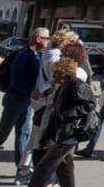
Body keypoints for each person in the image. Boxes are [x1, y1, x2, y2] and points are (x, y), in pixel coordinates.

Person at [0, 27, 49, 184]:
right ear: (38, 39)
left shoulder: (35, 55)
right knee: (2, 134)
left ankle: (21, 169)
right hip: (16, 99)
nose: (48, 41)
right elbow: (16, 81)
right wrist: (31, 91)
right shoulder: (23, 55)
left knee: (23, 134)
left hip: (26, 101)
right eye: (46, 38)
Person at [16, 28, 78, 184]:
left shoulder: (47, 54)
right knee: (42, 140)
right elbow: (54, 81)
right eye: (72, 41)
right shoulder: (56, 57)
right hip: (47, 102)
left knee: (39, 139)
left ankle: (28, 170)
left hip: (42, 101)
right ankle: (29, 173)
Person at [28, 58, 96, 187]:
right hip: (63, 131)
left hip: (70, 132)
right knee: (65, 166)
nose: (54, 76)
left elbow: (90, 104)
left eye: (57, 73)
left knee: (45, 166)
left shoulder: (78, 85)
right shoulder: (64, 86)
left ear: (65, 73)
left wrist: (69, 113)